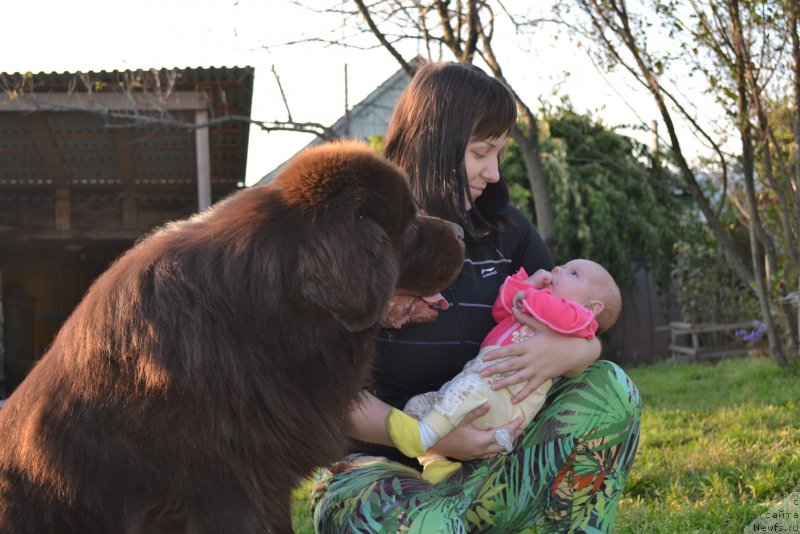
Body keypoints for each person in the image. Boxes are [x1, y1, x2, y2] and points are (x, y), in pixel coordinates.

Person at [310, 61, 641, 533]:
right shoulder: (352, 241)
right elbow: (327, 394)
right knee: (430, 527)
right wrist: (429, 437)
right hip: (382, 478)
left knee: (611, 388)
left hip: (493, 471)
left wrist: (570, 349)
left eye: (500, 153)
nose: (492, 171)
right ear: (432, 143)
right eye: (480, 152)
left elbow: (584, 319)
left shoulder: (509, 232)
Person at [404, 259, 622, 483]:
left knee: (467, 391)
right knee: (417, 406)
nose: (558, 269)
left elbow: (557, 314)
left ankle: (422, 437)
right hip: (478, 377)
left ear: (592, 307)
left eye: (574, 274)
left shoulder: (580, 320)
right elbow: (502, 308)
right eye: (563, 266)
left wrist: (531, 294)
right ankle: (435, 462)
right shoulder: (536, 303)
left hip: (507, 395)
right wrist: (528, 284)